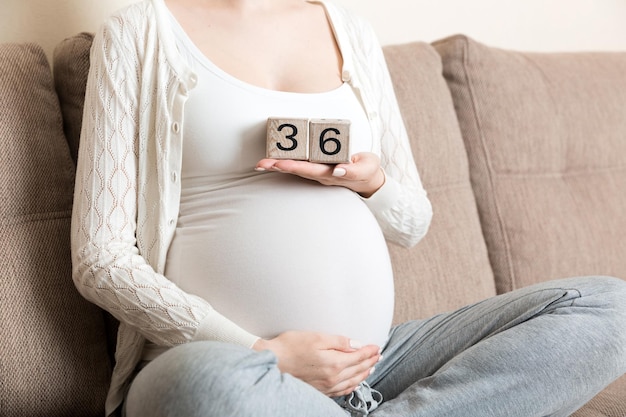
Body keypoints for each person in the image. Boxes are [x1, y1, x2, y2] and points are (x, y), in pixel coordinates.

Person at [70, 0, 626, 416]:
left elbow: (412, 221)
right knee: (196, 389)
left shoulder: (348, 31)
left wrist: (371, 182)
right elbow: (102, 260)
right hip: (236, 365)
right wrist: (265, 352)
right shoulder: (141, 33)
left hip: (378, 360)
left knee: (612, 308)